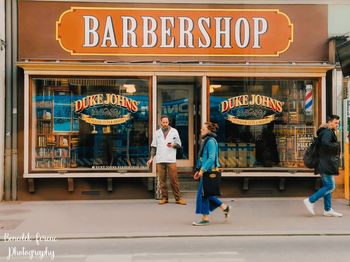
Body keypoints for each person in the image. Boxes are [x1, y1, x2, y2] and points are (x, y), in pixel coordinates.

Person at [303, 115, 342, 217]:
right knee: (330, 186)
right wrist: (337, 144)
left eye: (338, 123)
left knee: (327, 186)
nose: (337, 124)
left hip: (325, 163)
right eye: (335, 122)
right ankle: (310, 200)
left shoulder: (326, 132)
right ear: (329, 123)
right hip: (325, 164)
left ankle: (328, 209)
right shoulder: (327, 132)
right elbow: (325, 144)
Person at [192, 122, 231, 226]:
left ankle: (205, 219)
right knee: (207, 193)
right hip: (206, 171)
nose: (201, 130)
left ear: (209, 130)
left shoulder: (211, 142)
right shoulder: (206, 141)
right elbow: (202, 158)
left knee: (203, 194)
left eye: (203, 129)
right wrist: (198, 169)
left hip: (210, 171)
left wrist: (202, 170)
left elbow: (211, 158)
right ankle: (224, 207)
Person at [147, 115, 186, 205]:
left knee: (174, 180)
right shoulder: (157, 133)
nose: (165, 124)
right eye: (163, 122)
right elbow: (154, 146)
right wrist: (151, 158)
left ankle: (178, 198)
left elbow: (179, 145)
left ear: (169, 122)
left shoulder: (174, 131)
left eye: (166, 122)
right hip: (160, 160)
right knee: (162, 181)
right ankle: (165, 198)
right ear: (161, 122)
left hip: (171, 159)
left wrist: (173, 145)